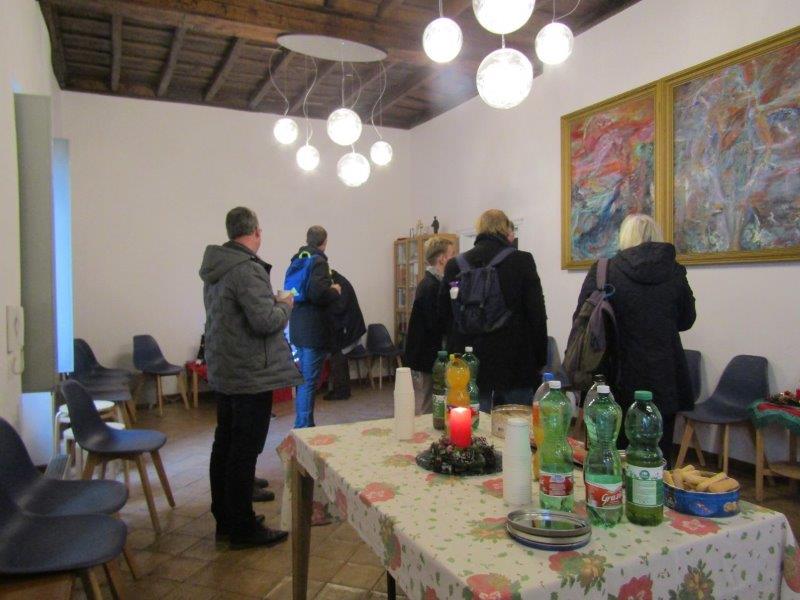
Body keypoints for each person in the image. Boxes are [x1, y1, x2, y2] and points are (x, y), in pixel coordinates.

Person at [199, 206, 302, 548]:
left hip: (227, 368)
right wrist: (285, 304)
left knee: (225, 445)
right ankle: (243, 528)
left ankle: (226, 519)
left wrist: (268, 303)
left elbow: (239, 314)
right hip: (249, 373)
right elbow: (265, 322)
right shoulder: (246, 268)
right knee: (243, 451)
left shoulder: (218, 266)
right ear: (256, 231)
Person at [573, 214, 696, 464]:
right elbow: (687, 320)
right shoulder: (674, 271)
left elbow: (582, 320)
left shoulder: (605, 270)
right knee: (656, 455)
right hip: (663, 377)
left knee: (609, 455)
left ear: (624, 237)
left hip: (615, 376)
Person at [438, 209, 548, 411]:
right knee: (515, 424)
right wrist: (540, 358)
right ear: (506, 230)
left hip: (469, 363)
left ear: (479, 229)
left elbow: (444, 314)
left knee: (471, 424)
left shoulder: (455, 265)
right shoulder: (521, 261)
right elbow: (537, 315)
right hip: (514, 363)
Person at [289, 226, 341, 427]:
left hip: (298, 327)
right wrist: (334, 290)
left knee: (305, 380)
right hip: (313, 331)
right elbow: (318, 294)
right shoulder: (318, 262)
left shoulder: (297, 259)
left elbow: (295, 293)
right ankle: (303, 426)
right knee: (309, 382)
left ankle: (304, 424)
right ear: (324, 242)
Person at [405, 236, 455, 413]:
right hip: (430, 353)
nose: (454, 259)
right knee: (433, 398)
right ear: (442, 258)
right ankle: (428, 428)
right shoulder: (431, 286)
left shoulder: (434, 283)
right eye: (452, 254)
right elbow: (434, 323)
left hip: (431, 352)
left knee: (437, 396)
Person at [324, 269, 366, 400]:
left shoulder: (340, 284)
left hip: (347, 328)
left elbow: (339, 308)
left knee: (338, 358)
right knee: (338, 358)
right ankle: (341, 390)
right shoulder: (340, 281)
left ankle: (341, 391)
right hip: (347, 327)